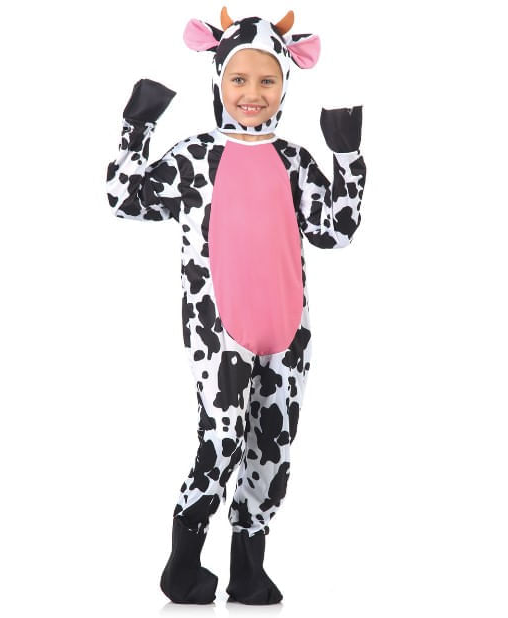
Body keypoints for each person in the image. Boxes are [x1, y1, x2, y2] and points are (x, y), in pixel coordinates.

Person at [105, 7, 367, 605]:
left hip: (288, 331)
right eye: (239, 79)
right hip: (218, 330)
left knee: (273, 447)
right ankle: (183, 562)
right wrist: (137, 125)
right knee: (221, 438)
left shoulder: (295, 160)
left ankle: (249, 566)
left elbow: (335, 231)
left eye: (267, 80)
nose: (253, 93)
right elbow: (126, 198)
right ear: (218, 79)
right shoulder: (198, 156)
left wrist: (347, 159)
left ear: (285, 84)